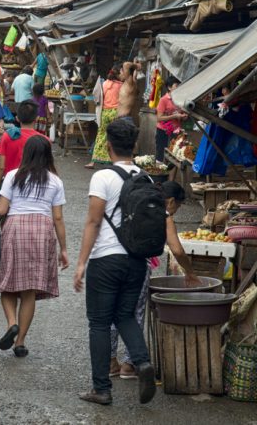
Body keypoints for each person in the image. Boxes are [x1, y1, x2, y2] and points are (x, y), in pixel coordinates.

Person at [73, 119, 157, 406]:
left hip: (106, 260)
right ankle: (142, 362)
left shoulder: (102, 177)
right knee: (124, 316)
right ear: (134, 145)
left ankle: (101, 388)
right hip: (136, 261)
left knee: (99, 322)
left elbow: (94, 221)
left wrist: (81, 262)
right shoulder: (146, 177)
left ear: (107, 144)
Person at [109, 182, 198, 379]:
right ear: (172, 201)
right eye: (178, 206)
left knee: (113, 311)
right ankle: (129, 365)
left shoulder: (130, 205)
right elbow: (177, 250)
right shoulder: (163, 215)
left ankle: (110, 362)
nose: (176, 211)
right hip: (138, 268)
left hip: (113, 262)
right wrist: (190, 272)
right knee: (135, 313)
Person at [0, 135, 69, 357]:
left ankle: (11, 324)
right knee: (29, 290)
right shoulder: (55, 181)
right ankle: (21, 342)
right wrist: (63, 249)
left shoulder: (13, 176)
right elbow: (58, 218)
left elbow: (2, 210)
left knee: (7, 283)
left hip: (15, 228)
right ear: (48, 155)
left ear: (26, 153)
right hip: (42, 231)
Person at [0, 100, 50, 208]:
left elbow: (1, 168)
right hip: (35, 189)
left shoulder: (8, 137)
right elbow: (48, 169)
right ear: (36, 119)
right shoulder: (45, 140)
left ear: (17, 118)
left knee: (6, 218)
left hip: (11, 187)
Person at [86, 67, 123, 169]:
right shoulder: (120, 85)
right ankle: (114, 161)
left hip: (105, 113)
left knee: (101, 136)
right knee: (114, 136)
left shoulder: (104, 84)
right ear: (117, 75)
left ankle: (93, 162)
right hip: (115, 113)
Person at [155, 77, 188, 162]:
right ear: (169, 88)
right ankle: (159, 174)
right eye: (176, 85)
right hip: (163, 130)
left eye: (179, 85)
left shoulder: (180, 100)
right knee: (160, 153)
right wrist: (174, 116)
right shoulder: (163, 100)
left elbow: (182, 114)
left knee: (174, 155)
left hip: (176, 131)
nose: (178, 88)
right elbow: (159, 118)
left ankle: (170, 175)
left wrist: (184, 117)